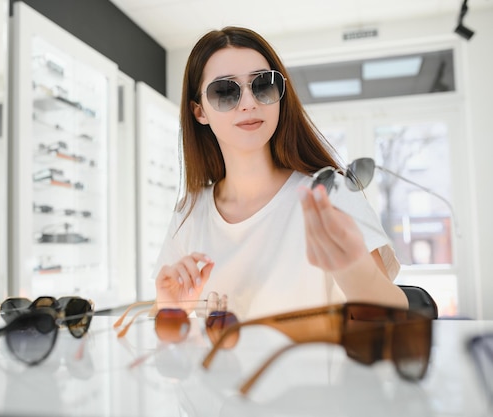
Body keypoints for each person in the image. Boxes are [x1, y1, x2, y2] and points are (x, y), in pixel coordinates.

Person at [152, 26, 407, 320]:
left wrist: (353, 270)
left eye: (262, 85)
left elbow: (393, 318)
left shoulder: (329, 194)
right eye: (225, 91)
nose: (249, 103)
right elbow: (168, 343)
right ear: (200, 112)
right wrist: (171, 309)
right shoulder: (190, 211)